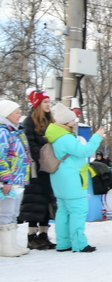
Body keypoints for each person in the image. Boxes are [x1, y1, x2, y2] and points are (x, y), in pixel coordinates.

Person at [45, 104, 105, 252]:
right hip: (72, 179)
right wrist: (97, 137)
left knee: (63, 212)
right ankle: (79, 243)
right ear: (66, 121)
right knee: (78, 211)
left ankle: (63, 243)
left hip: (59, 178)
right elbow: (84, 151)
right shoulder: (65, 137)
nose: (75, 122)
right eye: (72, 120)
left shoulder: (55, 135)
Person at [17, 89, 56, 249]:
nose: (48, 105)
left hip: (49, 167)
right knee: (35, 201)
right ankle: (31, 236)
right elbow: (29, 143)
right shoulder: (29, 122)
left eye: (49, 102)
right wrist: (42, 156)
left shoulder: (51, 121)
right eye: (45, 102)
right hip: (36, 167)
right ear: (38, 104)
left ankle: (44, 234)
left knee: (47, 201)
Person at [0, 99, 32, 256]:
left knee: (13, 213)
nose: (20, 115)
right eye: (17, 112)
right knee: (5, 213)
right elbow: (1, 157)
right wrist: (5, 179)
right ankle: (5, 247)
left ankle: (12, 243)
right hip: (7, 181)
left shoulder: (15, 131)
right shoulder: (3, 132)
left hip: (18, 179)